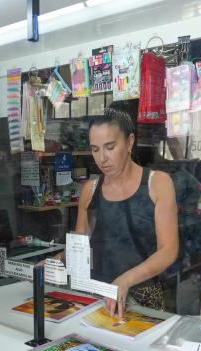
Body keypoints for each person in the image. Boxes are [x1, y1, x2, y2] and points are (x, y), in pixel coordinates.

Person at [74, 107, 179, 317]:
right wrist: (57, 261)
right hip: (98, 295)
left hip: (143, 296)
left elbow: (168, 251)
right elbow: (79, 245)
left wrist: (125, 280)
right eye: (95, 149)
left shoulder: (157, 183)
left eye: (110, 147)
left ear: (129, 142)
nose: (102, 158)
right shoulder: (90, 190)